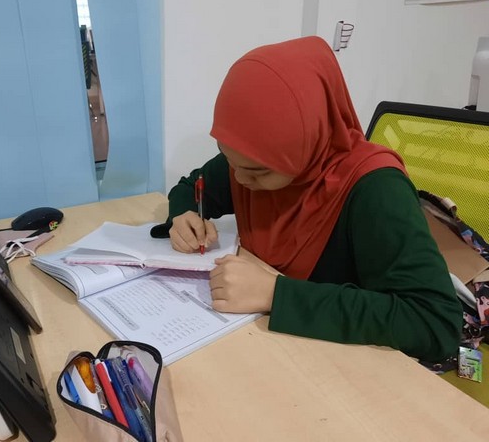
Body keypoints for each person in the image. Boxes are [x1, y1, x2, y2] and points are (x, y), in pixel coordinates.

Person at [163, 36, 461, 362]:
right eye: (229, 159)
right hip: (271, 349)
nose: (239, 179)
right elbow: (193, 187)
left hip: (352, 365)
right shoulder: (249, 158)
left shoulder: (376, 190)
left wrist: (276, 294)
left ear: (308, 142)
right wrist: (183, 215)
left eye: (258, 171)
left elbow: (435, 323)